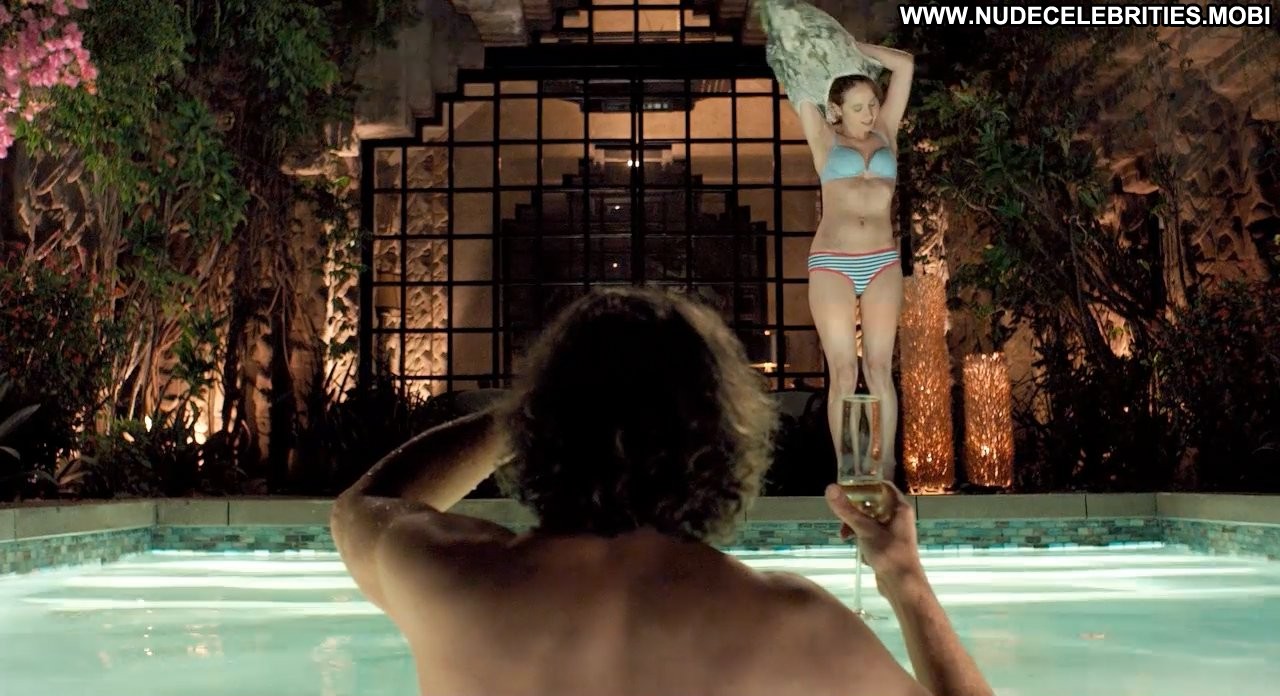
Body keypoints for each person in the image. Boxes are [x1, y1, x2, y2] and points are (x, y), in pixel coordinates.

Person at [330, 286, 994, 696]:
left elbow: (363, 506)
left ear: (541, 430)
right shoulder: (794, 625)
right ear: (723, 441)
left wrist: (527, 412)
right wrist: (903, 576)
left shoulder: (450, 582)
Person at [759, 0, 914, 485]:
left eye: (873, 104)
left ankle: (885, 470)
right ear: (837, 111)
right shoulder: (824, 138)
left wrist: (852, 48)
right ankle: (850, 469)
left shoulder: (887, 131)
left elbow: (904, 65)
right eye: (859, 108)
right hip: (833, 262)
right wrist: (794, 39)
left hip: (882, 260)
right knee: (845, 372)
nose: (870, 114)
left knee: (881, 368)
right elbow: (797, 79)